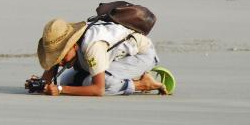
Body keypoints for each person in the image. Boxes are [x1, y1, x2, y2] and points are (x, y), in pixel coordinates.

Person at [28, 18, 168, 96]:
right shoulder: (73, 45)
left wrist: (60, 89)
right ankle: (127, 78)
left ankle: (143, 84)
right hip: (114, 58)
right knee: (67, 80)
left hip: (140, 55)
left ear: (73, 45)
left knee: (96, 82)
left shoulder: (92, 46)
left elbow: (98, 89)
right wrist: (40, 84)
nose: (60, 62)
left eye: (61, 56)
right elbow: (48, 81)